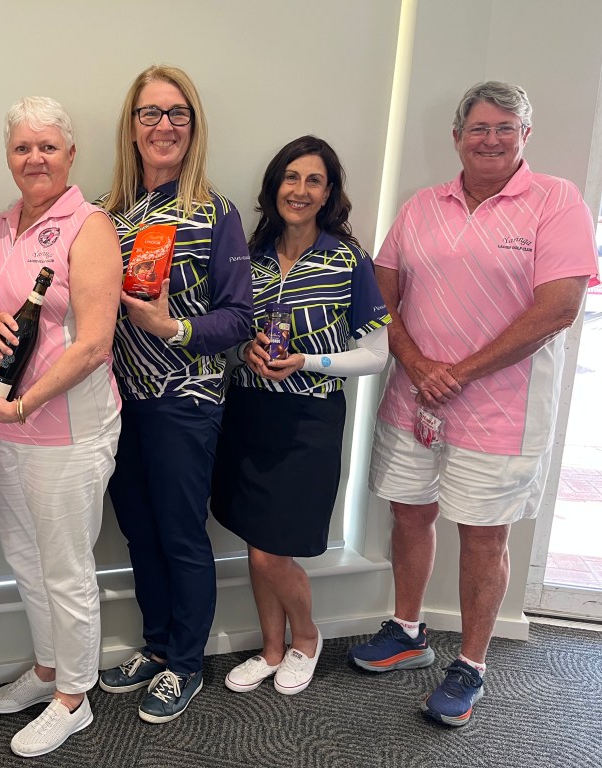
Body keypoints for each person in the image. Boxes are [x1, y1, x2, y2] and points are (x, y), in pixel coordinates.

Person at [348, 81, 598, 726]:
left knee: (484, 535)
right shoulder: (421, 206)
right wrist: (420, 367)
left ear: (525, 136)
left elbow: (559, 308)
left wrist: (457, 373)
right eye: (479, 128)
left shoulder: (556, 202)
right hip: (414, 399)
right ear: (457, 137)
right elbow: (382, 294)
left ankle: (472, 663)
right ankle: (407, 631)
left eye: (505, 128)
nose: (491, 140)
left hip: (501, 411)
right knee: (409, 514)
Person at [0, 96, 122, 758]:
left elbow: (95, 344)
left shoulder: (90, 227)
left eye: (48, 147)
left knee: (65, 566)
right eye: (23, 147)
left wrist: (24, 405)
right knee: (26, 559)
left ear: (71, 155)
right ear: (9, 156)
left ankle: (74, 697)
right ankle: (49, 666)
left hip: (66, 429)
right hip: (1, 425)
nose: (35, 158)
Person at [96, 65, 252, 723]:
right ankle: (157, 645)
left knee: (182, 533)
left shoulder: (215, 213)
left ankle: (185, 663)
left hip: (185, 398)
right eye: (151, 113)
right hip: (115, 401)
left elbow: (238, 319)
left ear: (194, 126)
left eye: (177, 113)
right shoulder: (102, 215)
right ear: (131, 127)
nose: (164, 126)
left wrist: (174, 327)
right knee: (138, 529)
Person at [211, 136, 391, 697]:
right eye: (291, 177)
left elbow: (376, 355)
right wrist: (244, 351)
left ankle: (306, 638)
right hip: (247, 412)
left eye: (314, 180)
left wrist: (307, 361)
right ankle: (271, 649)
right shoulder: (249, 255)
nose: (301, 190)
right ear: (274, 187)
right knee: (255, 542)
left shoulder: (348, 259)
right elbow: (229, 332)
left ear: (329, 193)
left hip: (309, 420)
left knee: (273, 551)